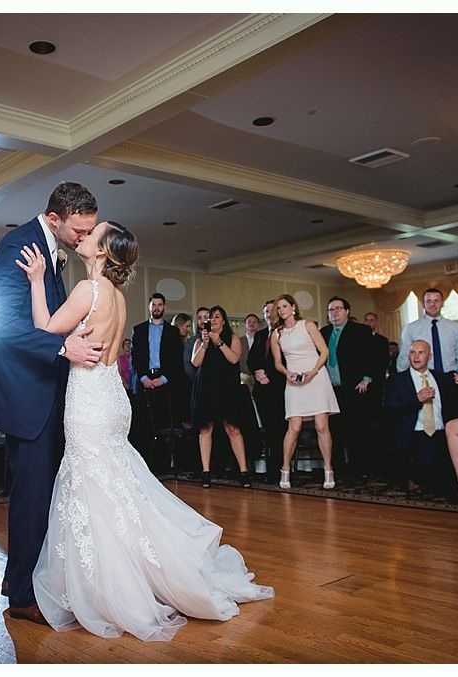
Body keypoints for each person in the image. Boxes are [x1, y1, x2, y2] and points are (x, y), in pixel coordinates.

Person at [15, 220, 273, 641]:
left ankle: (101, 591)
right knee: (117, 487)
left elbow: (44, 330)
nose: (84, 235)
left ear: (102, 252)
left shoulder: (88, 291)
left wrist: (38, 280)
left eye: (93, 233)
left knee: (92, 488)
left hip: (91, 400)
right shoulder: (117, 296)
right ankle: (138, 573)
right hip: (113, 398)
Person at [0, 181, 103, 625]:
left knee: (39, 489)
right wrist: (63, 350)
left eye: (89, 232)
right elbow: (3, 325)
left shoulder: (51, 250)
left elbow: (46, 318)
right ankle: (22, 596)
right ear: (56, 218)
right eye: (79, 232)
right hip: (24, 392)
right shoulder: (20, 246)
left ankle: (20, 577)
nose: (84, 239)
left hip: (42, 389)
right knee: (32, 493)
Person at [270, 294, 340, 490]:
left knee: (321, 426)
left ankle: (328, 469)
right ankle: (285, 470)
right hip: (294, 380)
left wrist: (313, 371)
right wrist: (287, 373)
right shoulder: (277, 334)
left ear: (293, 307)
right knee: (294, 427)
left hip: (316, 377)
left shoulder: (308, 325)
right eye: (278, 307)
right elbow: (277, 363)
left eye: (284, 306)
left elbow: (324, 351)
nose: (281, 310)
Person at [384, 340, 458, 496]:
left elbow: (456, 406)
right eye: (412, 352)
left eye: (421, 353)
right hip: (414, 434)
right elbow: (389, 409)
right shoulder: (397, 380)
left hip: (443, 433)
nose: (416, 357)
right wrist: (416, 399)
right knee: (430, 468)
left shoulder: (443, 379)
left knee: (449, 477)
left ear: (430, 356)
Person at [190, 305, 254, 488]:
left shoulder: (232, 338)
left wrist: (219, 342)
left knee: (232, 428)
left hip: (227, 387)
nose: (214, 320)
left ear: (224, 321)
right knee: (205, 429)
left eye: (217, 317)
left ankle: (243, 471)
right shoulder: (200, 340)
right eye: (211, 317)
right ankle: (205, 472)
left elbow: (234, 359)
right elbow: (195, 362)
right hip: (206, 387)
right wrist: (205, 344)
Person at [321, 297, 377, 477]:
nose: (334, 313)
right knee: (334, 431)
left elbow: (372, 356)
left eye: (338, 309)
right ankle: (336, 468)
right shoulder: (323, 332)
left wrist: (367, 378)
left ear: (347, 311)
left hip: (354, 388)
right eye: (331, 310)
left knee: (356, 431)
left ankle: (359, 469)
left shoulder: (361, 331)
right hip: (330, 390)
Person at [131, 292, 188, 437]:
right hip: (144, 381)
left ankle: (164, 459)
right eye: (154, 305)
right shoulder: (139, 330)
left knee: (165, 426)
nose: (156, 308)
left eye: (159, 305)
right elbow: (135, 357)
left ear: (164, 307)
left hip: (166, 382)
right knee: (144, 426)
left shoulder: (173, 332)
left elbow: (177, 359)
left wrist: (163, 379)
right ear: (149, 307)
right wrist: (144, 378)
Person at [247, 299, 286, 482]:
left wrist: (268, 373)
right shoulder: (261, 334)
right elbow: (251, 359)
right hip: (262, 391)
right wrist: (257, 372)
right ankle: (271, 470)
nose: (268, 315)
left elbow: (287, 359)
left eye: (271, 311)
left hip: (280, 388)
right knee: (269, 432)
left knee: (280, 431)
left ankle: (279, 470)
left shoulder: (286, 332)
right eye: (265, 312)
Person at [397, 288, 458, 375]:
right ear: (423, 304)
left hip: (450, 377)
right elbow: (404, 358)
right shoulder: (410, 329)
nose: (432, 304)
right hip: (422, 378)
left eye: (436, 301)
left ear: (442, 303)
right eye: (428, 301)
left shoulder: (455, 328)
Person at [183, 306, 210, 383]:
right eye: (199, 318)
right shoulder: (191, 342)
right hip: (197, 383)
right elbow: (188, 366)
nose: (202, 321)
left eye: (205, 317)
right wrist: (198, 381)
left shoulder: (217, 339)